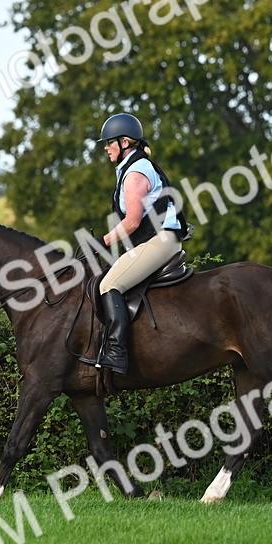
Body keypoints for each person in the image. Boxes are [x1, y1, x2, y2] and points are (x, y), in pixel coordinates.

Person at [93, 112, 186, 375]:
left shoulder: (135, 173)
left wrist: (101, 242)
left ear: (124, 142)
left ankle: (116, 353)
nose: (105, 147)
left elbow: (132, 222)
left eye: (109, 142)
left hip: (159, 240)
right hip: (156, 239)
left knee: (109, 284)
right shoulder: (136, 167)